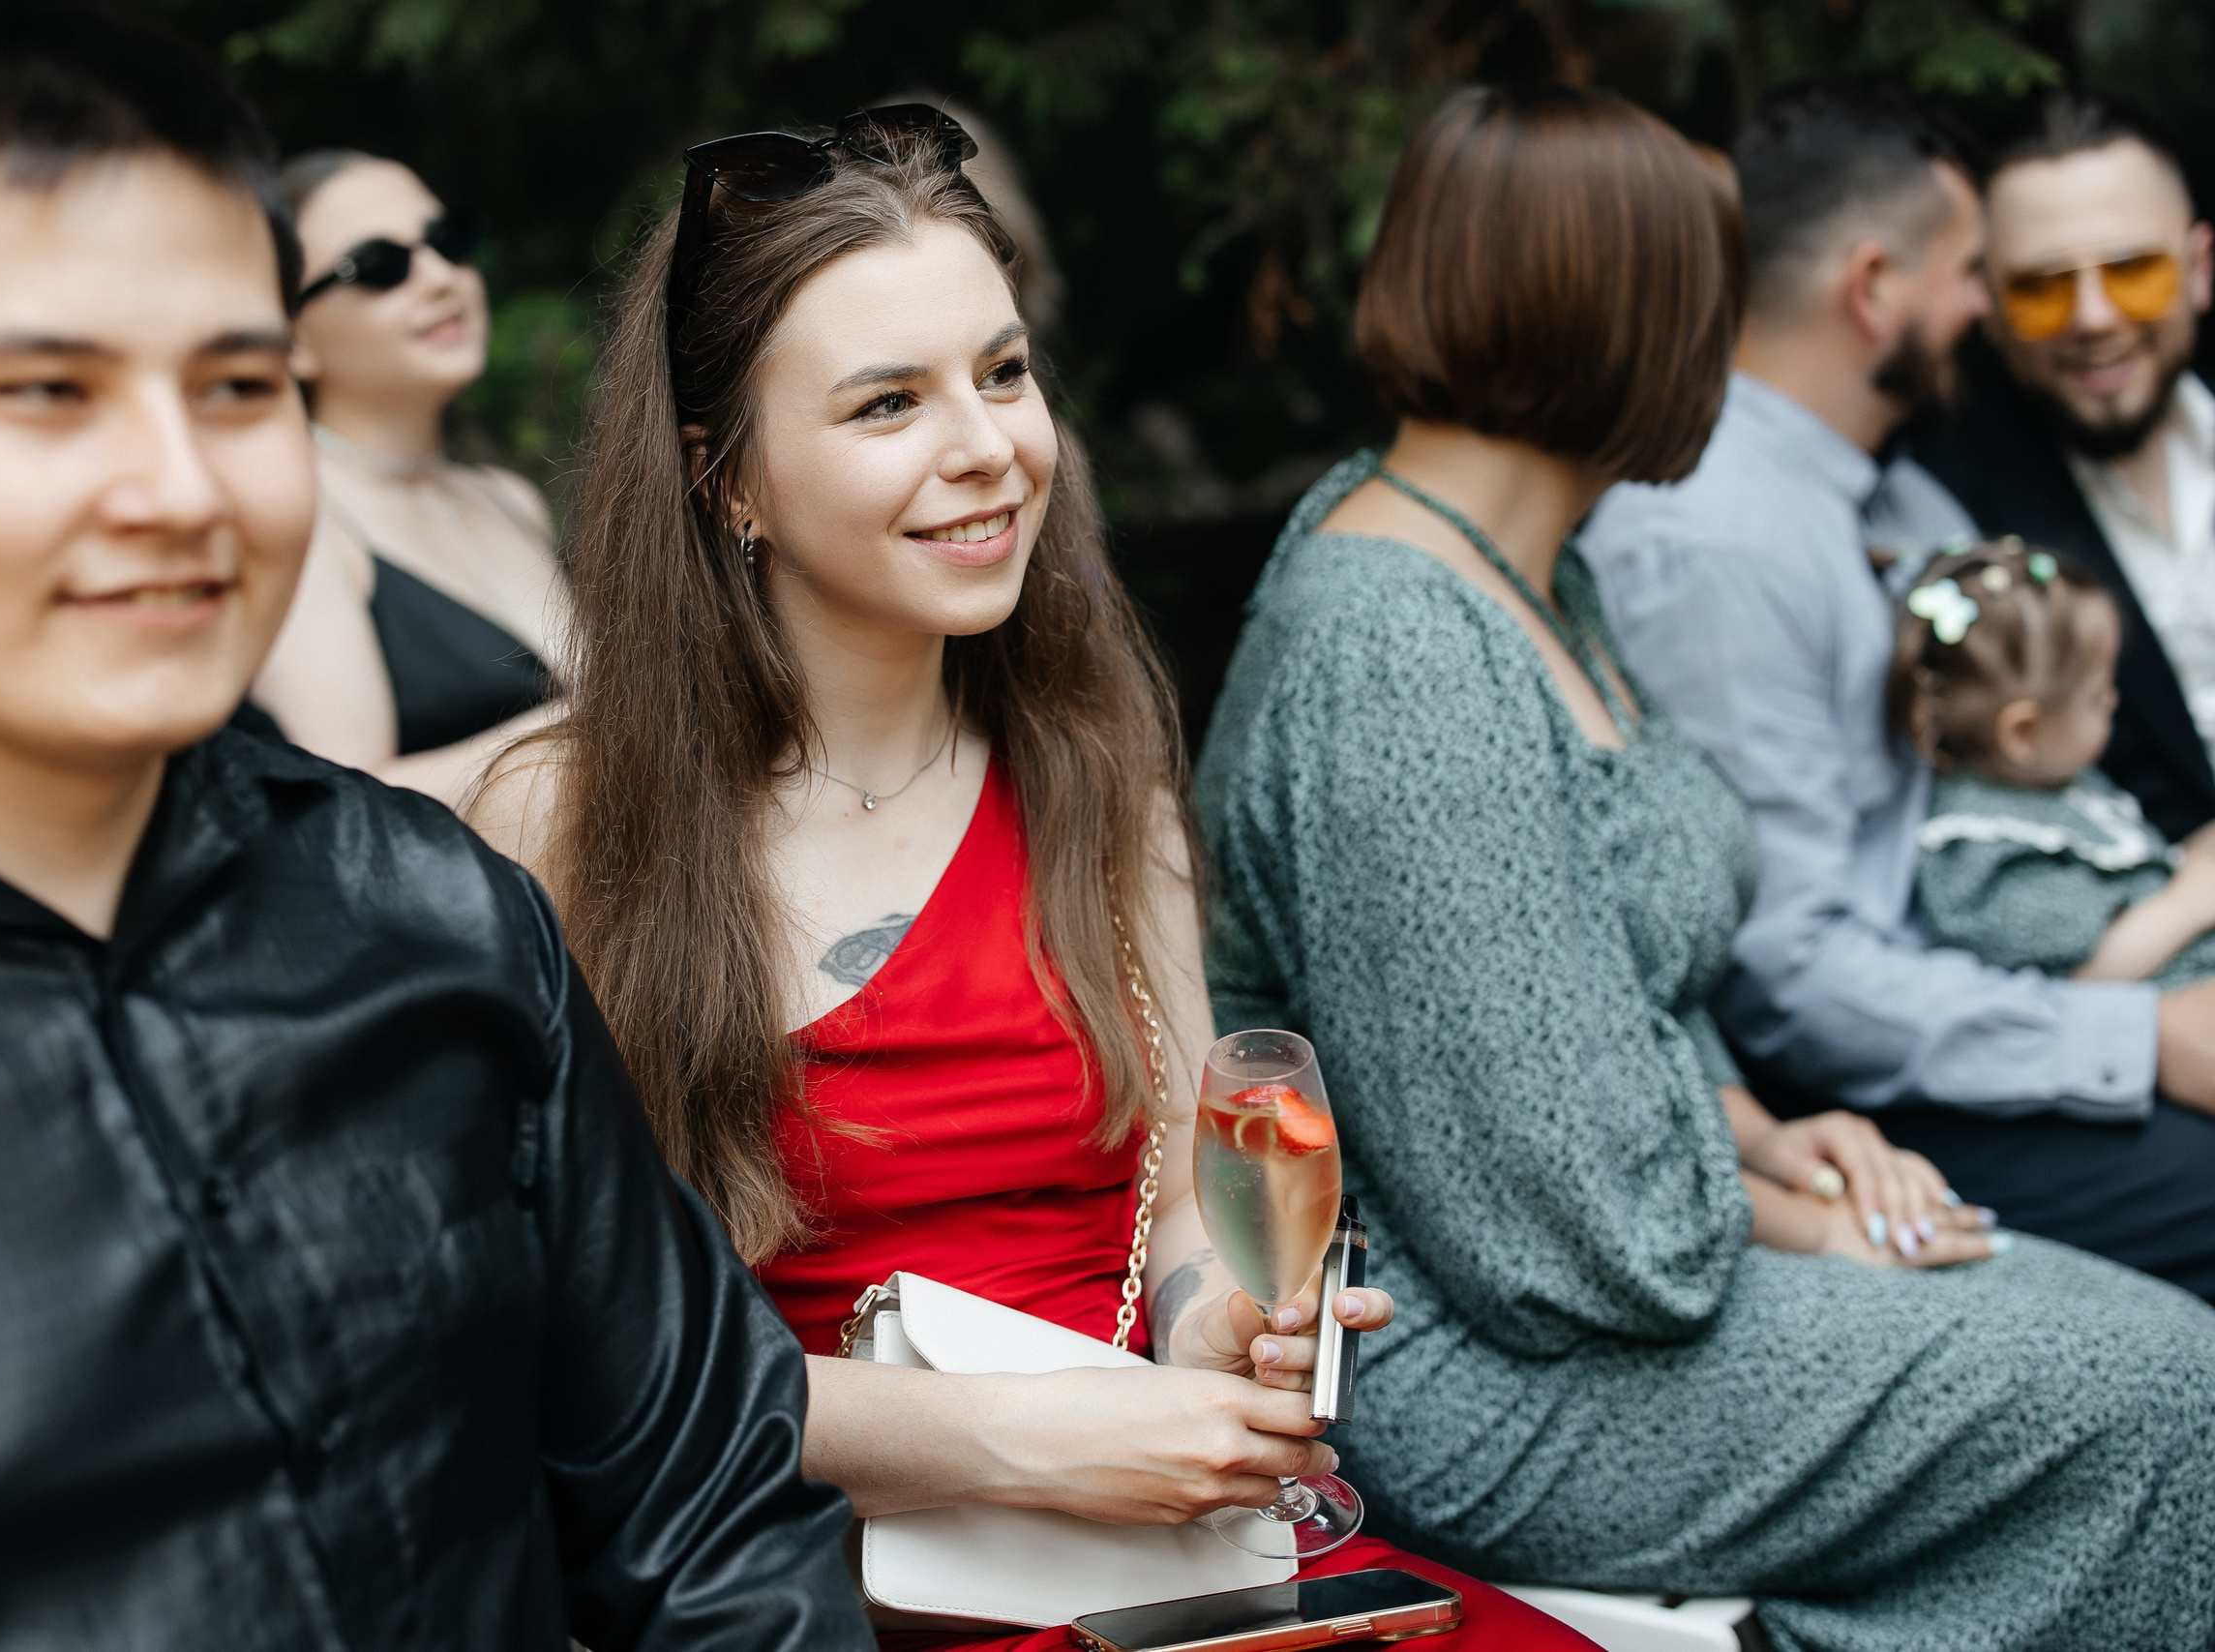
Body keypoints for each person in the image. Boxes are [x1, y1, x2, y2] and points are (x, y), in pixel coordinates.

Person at [0, 5, 866, 1646]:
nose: (178, 487)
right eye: (46, 389)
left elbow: (717, 1523)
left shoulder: (432, 913)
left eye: (238, 383)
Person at [468, 104, 1589, 1652]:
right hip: (826, 1590)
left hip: (1179, 1557)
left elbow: (1193, 1193)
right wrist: (1035, 1434)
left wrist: (1226, 1328)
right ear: (725, 477)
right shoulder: (567, 821)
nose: (988, 446)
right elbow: (572, 1359)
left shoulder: (1089, 766)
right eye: (886, 405)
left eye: (1002, 373)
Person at [1199, 81, 2215, 1652]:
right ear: (1635, 320)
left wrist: (1772, 1128)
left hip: (1637, 1266)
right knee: (2166, 1402)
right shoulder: (1399, 652)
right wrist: (1786, 1209)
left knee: (2155, 1348)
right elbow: (1567, 1241)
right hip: (1494, 1374)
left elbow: (1626, 977)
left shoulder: (1533, 571)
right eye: (1713, 299)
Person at [1579, 80, 2215, 1298]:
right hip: (1864, 1104)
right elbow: (1787, 977)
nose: (1990, 312)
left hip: (2018, 989)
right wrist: (2145, 1040)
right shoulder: (1713, 539)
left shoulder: (1904, 502)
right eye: (1978, 273)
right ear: (1873, 289)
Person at [1916, 93, 2215, 843]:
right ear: (1988, 302)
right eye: (2043, 287)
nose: (2093, 318)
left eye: (2134, 271)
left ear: (2201, 267)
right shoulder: (1945, 503)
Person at [251, 148, 565, 807]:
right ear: (290, 341)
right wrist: (608, 728)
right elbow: (349, 801)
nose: (439, 277)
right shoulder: (296, 517)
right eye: (378, 266)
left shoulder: (509, 499)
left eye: (446, 240)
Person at [1895, 539, 2215, 986]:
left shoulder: (2059, 780)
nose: (2113, 700)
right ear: (2023, 733)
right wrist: (2188, 902)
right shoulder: (1988, 858)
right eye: (2095, 696)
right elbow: (2081, 981)